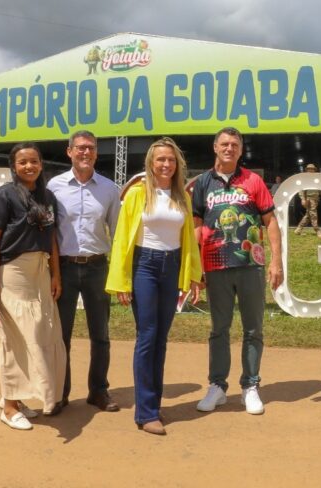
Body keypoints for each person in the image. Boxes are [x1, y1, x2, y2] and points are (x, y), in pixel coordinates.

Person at [106, 137, 203, 435]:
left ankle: (154, 405)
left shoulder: (181, 197)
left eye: (171, 160)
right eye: (161, 159)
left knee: (161, 338)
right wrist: (122, 279)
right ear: (150, 163)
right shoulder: (137, 194)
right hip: (144, 266)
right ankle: (146, 412)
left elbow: (188, 240)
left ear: (177, 165)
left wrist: (193, 275)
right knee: (147, 335)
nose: (166, 164)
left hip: (171, 266)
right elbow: (122, 237)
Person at [193, 127, 283, 415]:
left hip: (250, 266)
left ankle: (250, 386)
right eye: (224, 144)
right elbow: (196, 226)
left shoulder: (254, 181)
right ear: (215, 147)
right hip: (215, 266)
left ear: (241, 150)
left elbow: (270, 222)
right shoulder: (203, 183)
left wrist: (276, 261)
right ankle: (217, 387)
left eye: (235, 144)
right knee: (219, 329)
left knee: (253, 329)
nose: (229, 148)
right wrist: (196, 266)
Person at [0, 143, 67, 431]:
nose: (29, 166)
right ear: (14, 166)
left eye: (34, 161)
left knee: (41, 332)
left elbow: (52, 239)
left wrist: (56, 275)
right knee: (16, 337)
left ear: (41, 164)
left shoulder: (47, 197)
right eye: (22, 162)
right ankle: (8, 406)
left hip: (41, 271)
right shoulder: (3, 196)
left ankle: (18, 398)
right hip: (14, 271)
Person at [48, 131, 121, 414]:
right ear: (69, 152)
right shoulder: (53, 187)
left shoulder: (108, 188)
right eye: (80, 148)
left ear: (96, 153)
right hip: (64, 268)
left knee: (100, 334)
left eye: (90, 148)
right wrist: (52, 272)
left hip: (97, 267)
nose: (85, 153)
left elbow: (117, 232)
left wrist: (119, 271)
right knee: (60, 336)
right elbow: (50, 231)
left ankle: (98, 391)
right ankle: (60, 393)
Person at [294, 163, 321, 238]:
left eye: (312, 169)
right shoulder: (304, 179)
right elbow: (300, 189)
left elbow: (319, 189)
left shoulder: (316, 179)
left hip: (316, 199)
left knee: (308, 216)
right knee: (313, 214)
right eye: (309, 169)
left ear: (314, 170)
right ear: (307, 170)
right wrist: (303, 199)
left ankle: (298, 229)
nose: (311, 170)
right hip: (309, 199)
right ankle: (317, 230)